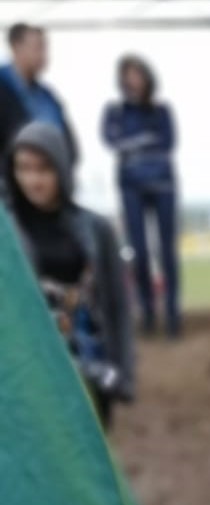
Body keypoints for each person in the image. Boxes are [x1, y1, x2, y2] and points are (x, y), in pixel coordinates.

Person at [5, 122, 134, 429]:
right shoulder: (6, 231)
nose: (33, 180)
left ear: (61, 168)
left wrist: (123, 373)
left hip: (90, 367)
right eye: (24, 168)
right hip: (26, 374)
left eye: (43, 169)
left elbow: (117, 305)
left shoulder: (96, 229)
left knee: (89, 451)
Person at [101, 55, 180, 338]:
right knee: (140, 252)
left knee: (166, 251)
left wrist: (132, 145)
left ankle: (172, 314)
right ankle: (147, 312)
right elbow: (111, 141)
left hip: (163, 185)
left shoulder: (162, 111)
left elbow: (168, 142)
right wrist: (145, 140)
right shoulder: (114, 111)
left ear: (147, 77)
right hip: (130, 187)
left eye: (137, 74)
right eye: (128, 75)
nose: (133, 80)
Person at [0, 23, 77, 165]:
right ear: (16, 47)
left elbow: (70, 145)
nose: (44, 56)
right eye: (38, 48)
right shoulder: (4, 91)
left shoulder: (47, 97)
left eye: (45, 49)